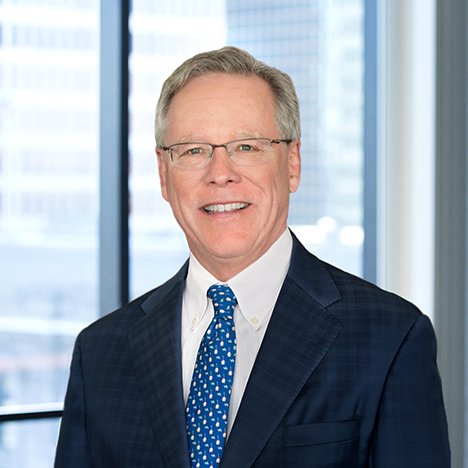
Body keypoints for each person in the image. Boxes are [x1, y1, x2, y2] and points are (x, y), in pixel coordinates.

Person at [54, 46, 450, 467]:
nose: (220, 173)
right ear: (163, 175)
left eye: (247, 147)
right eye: (193, 150)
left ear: (292, 163)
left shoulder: (390, 338)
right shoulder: (99, 353)